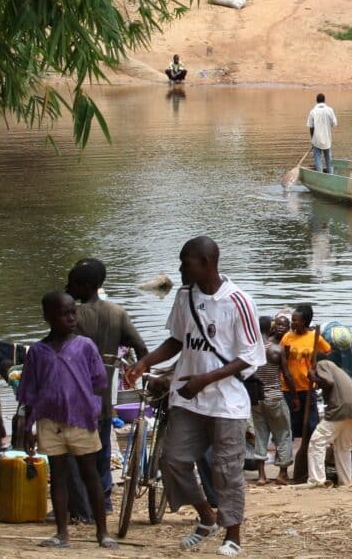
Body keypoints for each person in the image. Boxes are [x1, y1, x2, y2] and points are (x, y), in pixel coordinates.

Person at [124, 236, 265, 557]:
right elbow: (177, 340)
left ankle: (233, 534)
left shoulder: (238, 301)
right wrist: (146, 362)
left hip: (226, 402)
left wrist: (205, 380)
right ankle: (206, 517)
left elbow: (251, 356)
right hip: (187, 398)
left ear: (206, 263)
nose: (180, 270)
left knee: (226, 469)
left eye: (185, 264)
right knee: (172, 460)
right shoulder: (184, 295)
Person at [17, 292, 118, 549]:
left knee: (90, 475)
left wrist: (92, 408)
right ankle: (62, 533)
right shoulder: (37, 352)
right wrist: (28, 427)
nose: (72, 318)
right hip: (49, 422)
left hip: (81, 420)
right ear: (48, 317)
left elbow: (99, 381)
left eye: (74, 312)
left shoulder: (85, 346)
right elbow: (29, 391)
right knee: (58, 476)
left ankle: (103, 532)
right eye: (65, 314)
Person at [65, 258, 149, 516]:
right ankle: (104, 501)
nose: (69, 288)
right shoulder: (117, 312)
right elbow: (141, 348)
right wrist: (138, 373)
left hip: (75, 395)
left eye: (72, 284)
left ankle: (82, 505)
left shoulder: (72, 315)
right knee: (101, 447)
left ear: (85, 286)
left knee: (75, 451)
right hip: (103, 397)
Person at [279, 304, 331, 483]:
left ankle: (312, 466)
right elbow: (283, 363)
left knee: (311, 426)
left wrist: (317, 371)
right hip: (288, 389)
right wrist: (293, 395)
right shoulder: (287, 337)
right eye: (292, 319)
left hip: (308, 389)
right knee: (288, 428)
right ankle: (283, 470)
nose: (292, 323)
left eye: (295, 320)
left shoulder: (315, 338)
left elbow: (327, 353)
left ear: (305, 322)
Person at [306, 360, 352, 487]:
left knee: (317, 442)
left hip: (340, 407)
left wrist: (314, 377)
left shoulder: (322, 364)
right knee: (343, 448)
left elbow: (329, 382)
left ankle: (317, 481)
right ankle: (346, 482)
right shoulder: (336, 369)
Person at [251, 316, 292, 485]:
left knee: (260, 435)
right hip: (274, 396)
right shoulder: (276, 349)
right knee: (283, 433)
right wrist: (295, 395)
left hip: (256, 398)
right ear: (271, 328)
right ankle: (282, 473)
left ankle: (261, 476)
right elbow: (287, 374)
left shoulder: (251, 348)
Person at [307, 93, 337, 174]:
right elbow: (334, 123)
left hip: (316, 140)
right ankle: (331, 175)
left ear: (316, 101)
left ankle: (320, 174)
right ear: (324, 100)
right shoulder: (330, 110)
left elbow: (311, 127)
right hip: (327, 139)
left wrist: (312, 139)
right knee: (328, 159)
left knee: (318, 159)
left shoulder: (313, 111)